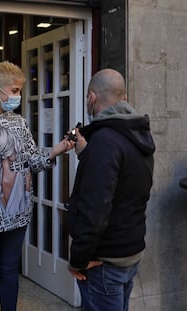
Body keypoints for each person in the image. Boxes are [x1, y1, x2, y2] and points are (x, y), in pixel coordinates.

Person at [0, 61, 73, 310]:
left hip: (18, 213)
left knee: (10, 270)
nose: (18, 96)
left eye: (20, 90)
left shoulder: (19, 123)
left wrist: (54, 152)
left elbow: (30, 162)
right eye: (15, 90)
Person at [66, 68, 156, 311]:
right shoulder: (136, 135)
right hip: (129, 252)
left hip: (103, 261)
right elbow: (124, 186)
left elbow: (94, 210)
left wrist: (78, 259)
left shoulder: (105, 141)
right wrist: (88, 155)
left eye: (88, 98)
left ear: (92, 98)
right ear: (123, 98)